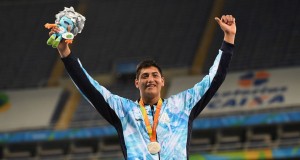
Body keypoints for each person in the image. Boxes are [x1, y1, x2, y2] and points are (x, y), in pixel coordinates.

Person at [49, 15, 236, 160]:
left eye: (155, 75)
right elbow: (88, 86)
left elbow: (215, 78)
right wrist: (65, 52)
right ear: (136, 83)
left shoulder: (183, 105)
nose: (150, 79)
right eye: (144, 76)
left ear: (162, 81)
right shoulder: (123, 111)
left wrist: (228, 38)